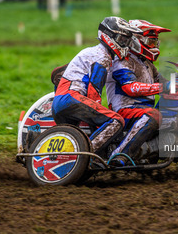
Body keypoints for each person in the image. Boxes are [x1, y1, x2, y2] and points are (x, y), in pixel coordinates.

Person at [51, 17, 142, 157]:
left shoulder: (95, 52)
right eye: (122, 39)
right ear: (109, 36)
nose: (124, 43)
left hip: (64, 99)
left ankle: (79, 158)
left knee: (101, 123)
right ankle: (86, 156)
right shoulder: (102, 57)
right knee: (116, 121)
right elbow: (94, 94)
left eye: (126, 40)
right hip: (71, 97)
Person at [106, 19, 176, 166]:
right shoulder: (122, 61)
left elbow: (161, 82)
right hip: (125, 110)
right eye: (150, 42)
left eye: (155, 42)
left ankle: (167, 146)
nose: (154, 46)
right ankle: (120, 155)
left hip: (143, 109)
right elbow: (130, 87)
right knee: (153, 115)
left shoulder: (147, 64)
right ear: (137, 41)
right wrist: (162, 88)